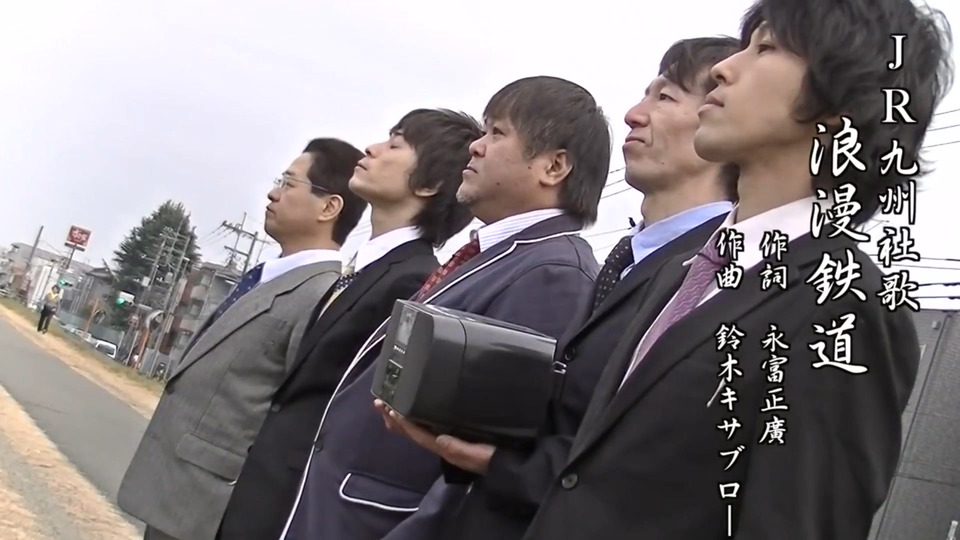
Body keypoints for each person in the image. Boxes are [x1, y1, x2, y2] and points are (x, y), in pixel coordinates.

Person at [523, 1, 953, 538]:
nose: (725, 69)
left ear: (842, 103)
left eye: (766, 47)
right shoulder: (681, 272)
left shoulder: (842, 305)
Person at [383, 36, 742, 540]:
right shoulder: (627, 260)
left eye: (665, 97)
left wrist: (502, 464)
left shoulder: (719, 278)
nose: (634, 115)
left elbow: (649, 465)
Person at [279, 75, 611, 540]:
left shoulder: (554, 274)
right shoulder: (497, 255)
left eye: (497, 133)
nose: (476, 146)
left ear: (553, 166)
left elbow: (482, 462)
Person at [217, 108, 480, 540]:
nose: (372, 149)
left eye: (395, 144)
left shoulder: (413, 283)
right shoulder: (364, 268)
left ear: (429, 184)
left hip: (295, 505)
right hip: (261, 491)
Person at [118, 138, 369, 540]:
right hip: (178, 487)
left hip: (213, 505)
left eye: (288, 183)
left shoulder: (321, 296)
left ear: (328, 207)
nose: (273, 193)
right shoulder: (270, 276)